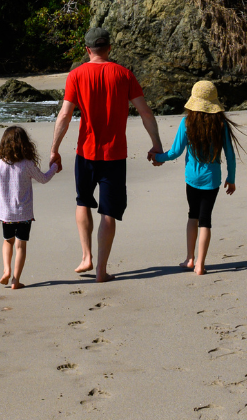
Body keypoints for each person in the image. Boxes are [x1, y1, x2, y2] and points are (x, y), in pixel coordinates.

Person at [49, 26, 163, 283]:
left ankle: (86, 256)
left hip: (86, 152)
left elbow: (65, 115)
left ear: (87, 50)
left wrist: (54, 149)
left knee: (83, 201)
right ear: (109, 48)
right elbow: (145, 113)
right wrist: (156, 144)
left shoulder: (76, 75)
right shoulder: (124, 74)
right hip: (114, 155)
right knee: (108, 211)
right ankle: (101, 269)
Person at [150, 80, 239, 275]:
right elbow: (230, 156)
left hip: (192, 179)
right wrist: (231, 178)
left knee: (193, 215)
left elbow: (174, 152)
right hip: (212, 180)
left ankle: (190, 258)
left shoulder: (186, 122)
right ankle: (200, 264)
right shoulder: (221, 124)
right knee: (206, 220)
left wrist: (158, 157)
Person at [0, 125, 60, 289]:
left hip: (6, 215)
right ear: (25, 145)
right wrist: (54, 167)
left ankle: (6, 270)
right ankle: (15, 280)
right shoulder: (27, 164)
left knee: (8, 242)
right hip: (24, 214)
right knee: (20, 246)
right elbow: (43, 179)